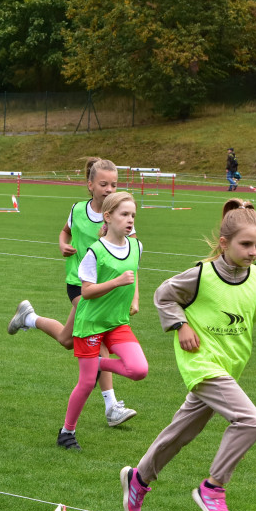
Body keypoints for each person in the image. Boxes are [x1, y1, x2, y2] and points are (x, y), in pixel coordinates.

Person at [121, 198, 256, 511]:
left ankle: (139, 479)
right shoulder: (201, 275)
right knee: (251, 422)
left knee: (181, 433)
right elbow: (164, 294)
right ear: (224, 243)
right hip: (201, 364)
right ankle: (213, 488)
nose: (253, 252)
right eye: (245, 244)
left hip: (229, 366)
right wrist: (181, 325)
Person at [7, 157, 138, 427]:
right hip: (80, 285)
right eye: (103, 184)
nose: (109, 189)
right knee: (98, 335)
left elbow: (131, 259)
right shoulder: (78, 209)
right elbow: (65, 232)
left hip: (108, 290)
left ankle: (28, 318)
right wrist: (62, 244)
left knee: (68, 340)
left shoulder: (122, 216)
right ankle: (111, 406)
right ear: (90, 185)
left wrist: (134, 295)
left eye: (114, 184)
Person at [58, 192, 148, 451]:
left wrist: (135, 297)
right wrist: (116, 283)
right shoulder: (95, 252)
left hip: (117, 322)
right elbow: (86, 291)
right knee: (86, 383)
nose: (130, 220)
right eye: (124, 214)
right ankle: (67, 432)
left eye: (132, 215)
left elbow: (134, 273)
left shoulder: (137, 246)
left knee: (139, 369)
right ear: (107, 217)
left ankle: (95, 361)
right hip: (92, 323)